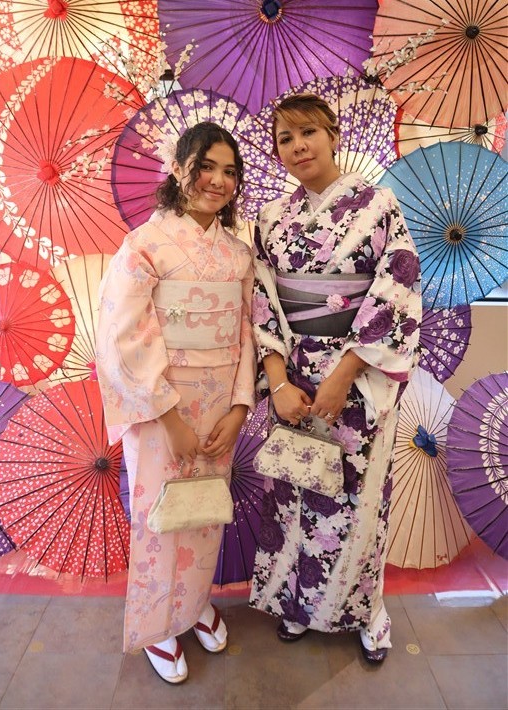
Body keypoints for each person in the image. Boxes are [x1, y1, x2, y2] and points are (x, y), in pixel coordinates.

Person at [249, 94, 421, 663]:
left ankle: (368, 611)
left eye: (308, 132)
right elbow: (262, 300)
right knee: (294, 488)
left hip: (360, 377)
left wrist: (345, 372)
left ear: (332, 134)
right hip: (295, 377)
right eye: (285, 138)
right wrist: (278, 380)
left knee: (357, 496)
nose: (298, 146)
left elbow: (396, 287)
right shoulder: (270, 219)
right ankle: (297, 605)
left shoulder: (378, 205)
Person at [96, 122, 255, 684]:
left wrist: (239, 408)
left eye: (229, 171)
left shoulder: (238, 253)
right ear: (179, 169)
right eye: (205, 166)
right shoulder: (144, 245)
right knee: (160, 513)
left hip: (218, 403)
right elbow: (124, 335)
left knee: (205, 510)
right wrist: (167, 416)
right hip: (161, 406)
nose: (218, 181)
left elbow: (246, 334)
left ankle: (194, 602)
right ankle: (158, 622)